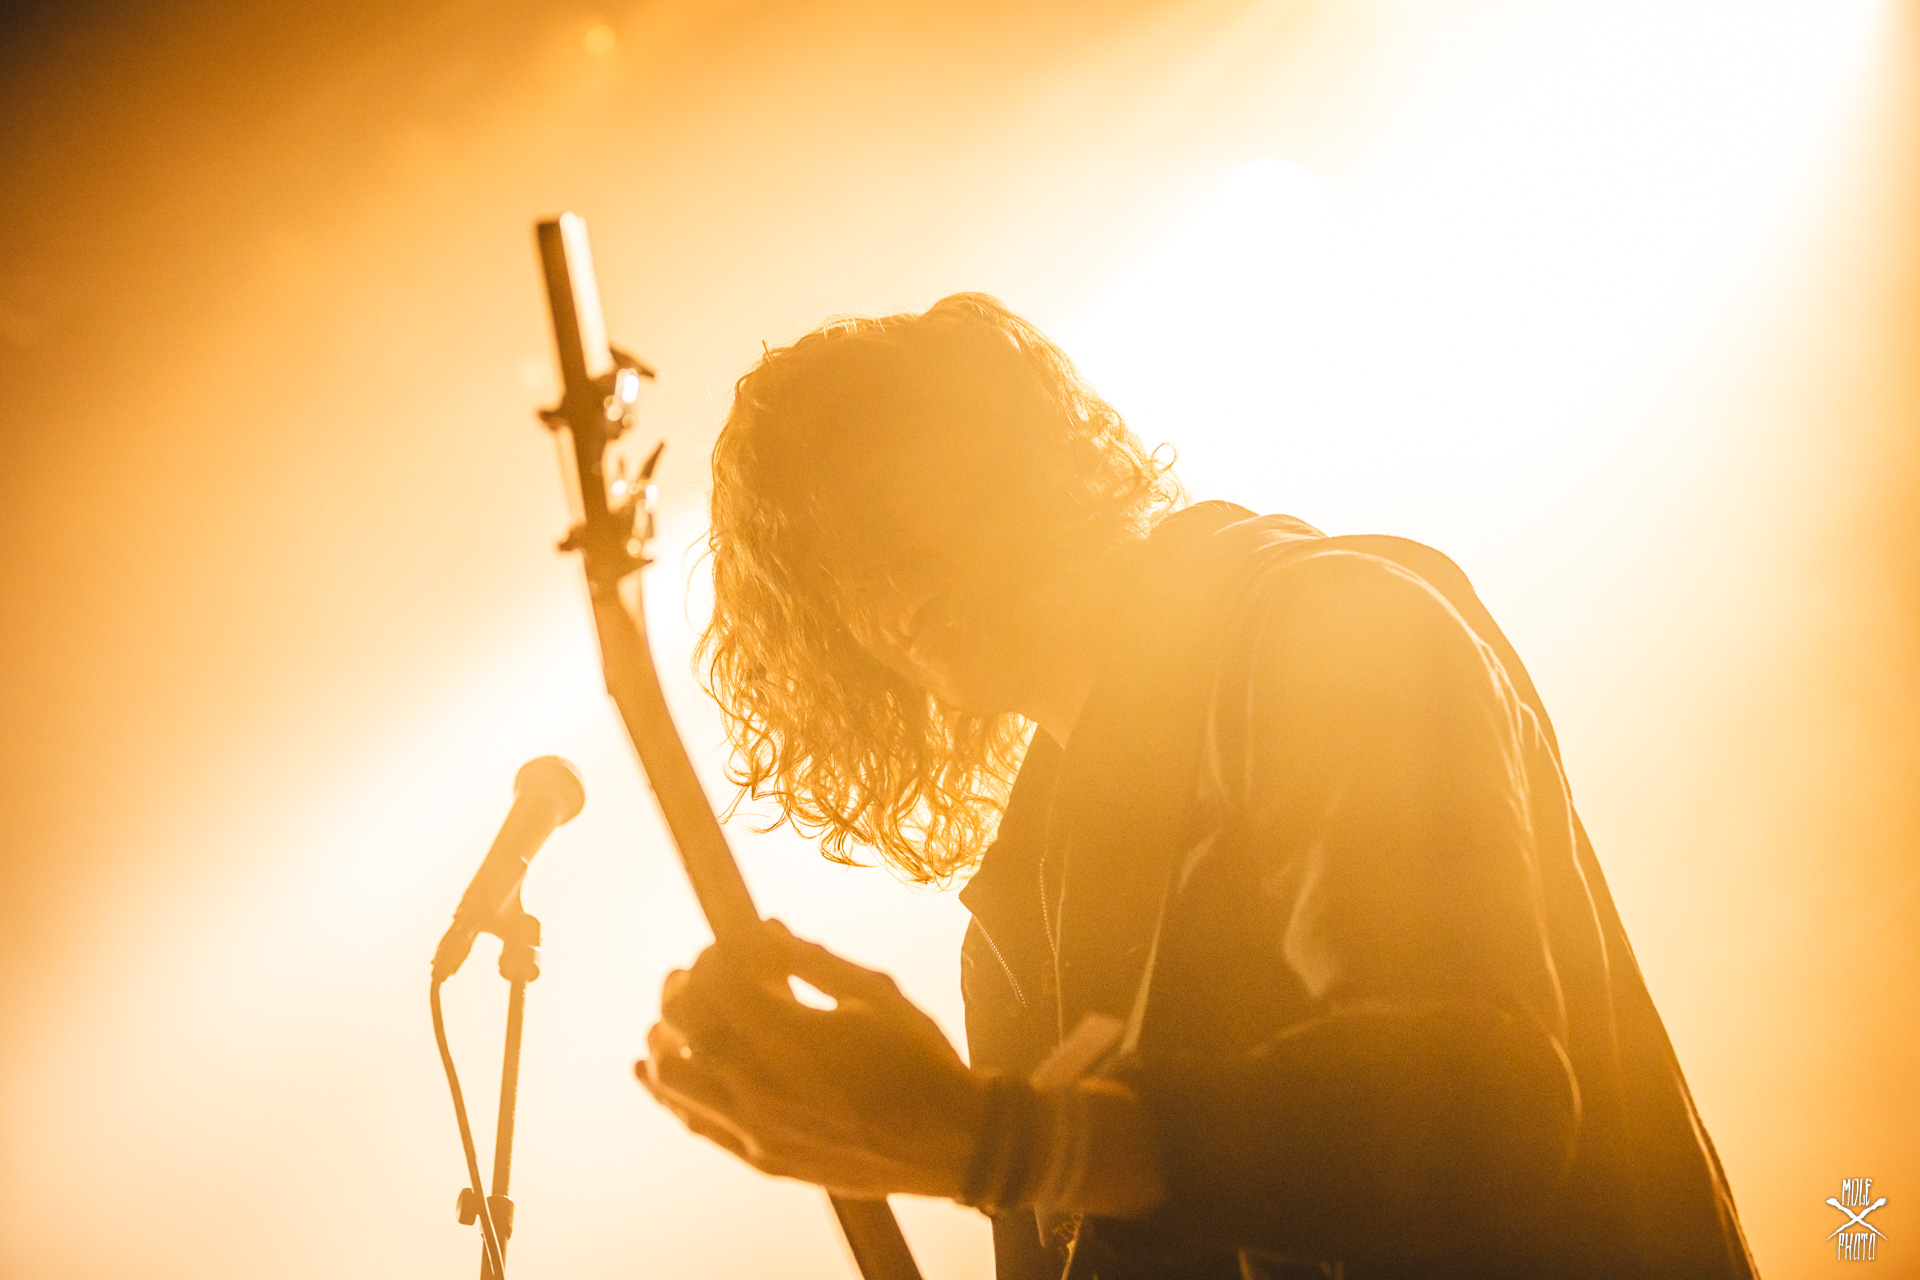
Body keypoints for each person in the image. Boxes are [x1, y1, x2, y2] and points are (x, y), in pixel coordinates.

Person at [635, 293, 1756, 1280]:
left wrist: (1001, 1140)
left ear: (1012, 458)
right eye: (821, 555)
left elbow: (1479, 1106)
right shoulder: (1016, 930)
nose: (873, 569)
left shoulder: (1331, 629)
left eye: (887, 489)